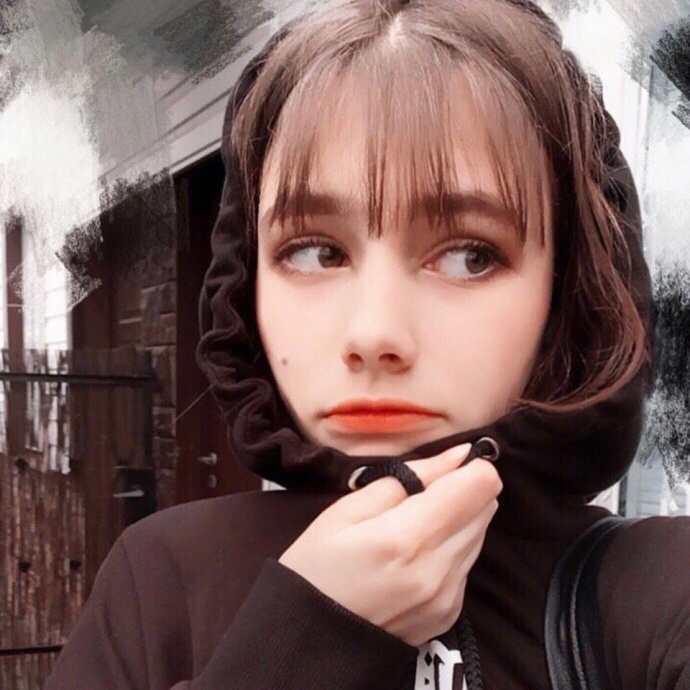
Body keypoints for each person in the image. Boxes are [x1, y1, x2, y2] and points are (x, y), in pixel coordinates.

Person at [45, 1, 690, 689]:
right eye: (316, 252)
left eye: (469, 256)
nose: (374, 335)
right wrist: (304, 640)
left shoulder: (656, 593)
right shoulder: (159, 579)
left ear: (563, 294)